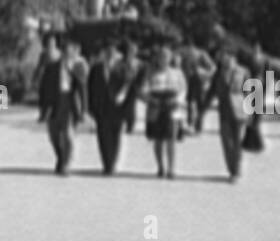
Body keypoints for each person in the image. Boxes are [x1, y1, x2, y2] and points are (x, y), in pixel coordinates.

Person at [201, 26, 253, 181]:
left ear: (232, 57)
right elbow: (211, 92)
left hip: (240, 111)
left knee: (237, 142)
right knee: (226, 142)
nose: (222, 59)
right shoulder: (218, 73)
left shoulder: (243, 72)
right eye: (221, 56)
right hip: (224, 111)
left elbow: (250, 92)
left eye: (225, 56)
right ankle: (232, 168)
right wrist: (202, 110)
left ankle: (236, 171)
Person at [39, 37, 87, 175]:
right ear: (62, 53)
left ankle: (66, 164)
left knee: (68, 134)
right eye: (65, 52)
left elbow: (83, 90)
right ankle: (60, 156)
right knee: (53, 135)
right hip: (55, 103)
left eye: (70, 52)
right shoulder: (52, 67)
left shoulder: (77, 68)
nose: (67, 55)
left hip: (70, 103)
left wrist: (84, 110)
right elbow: (43, 88)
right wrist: (43, 108)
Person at [140, 42, 187, 178]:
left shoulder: (177, 73)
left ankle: (172, 169)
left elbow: (183, 89)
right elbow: (143, 88)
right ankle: (160, 167)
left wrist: (178, 100)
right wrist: (149, 98)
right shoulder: (150, 72)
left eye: (166, 56)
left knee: (171, 138)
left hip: (172, 107)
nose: (163, 59)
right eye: (161, 56)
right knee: (158, 139)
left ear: (170, 58)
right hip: (156, 106)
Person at [87, 42, 133, 174]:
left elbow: (129, 86)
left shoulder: (123, 67)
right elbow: (90, 88)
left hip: (118, 108)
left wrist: (127, 107)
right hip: (101, 108)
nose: (109, 56)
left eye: (112, 53)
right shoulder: (96, 68)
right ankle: (106, 163)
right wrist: (90, 107)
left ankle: (112, 163)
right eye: (107, 53)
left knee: (116, 136)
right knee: (103, 136)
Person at [179, 44, 217, 133]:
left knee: (193, 103)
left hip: (196, 81)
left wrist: (205, 74)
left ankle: (194, 125)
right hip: (191, 81)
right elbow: (213, 68)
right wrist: (207, 75)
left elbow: (213, 68)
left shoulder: (197, 53)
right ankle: (195, 126)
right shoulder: (200, 53)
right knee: (194, 104)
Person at [32, 30, 62, 123]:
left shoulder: (60, 54)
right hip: (46, 78)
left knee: (56, 98)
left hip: (56, 78)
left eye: (53, 41)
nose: (51, 43)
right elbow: (39, 66)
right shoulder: (44, 54)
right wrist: (35, 78)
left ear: (56, 42)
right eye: (49, 41)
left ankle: (55, 115)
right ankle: (43, 115)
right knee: (43, 97)